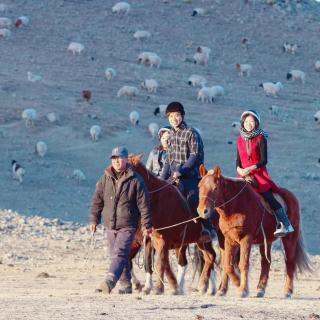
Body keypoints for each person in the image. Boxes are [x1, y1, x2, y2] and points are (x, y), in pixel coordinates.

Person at [89, 146, 153, 294]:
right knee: (115, 255)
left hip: (128, 224)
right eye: (114, 158)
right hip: (110, 224)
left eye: (120, 158)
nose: (117, 161)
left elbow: (144, 205)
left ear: (126, 159)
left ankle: (109, 281)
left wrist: (147, 225)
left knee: (120, 253)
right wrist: (94, 220)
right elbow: (97, 200)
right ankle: (126, 285)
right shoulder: (105, 177)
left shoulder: (136, 179)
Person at [160, 101, 215, 241]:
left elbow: (194, 155)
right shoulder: (171, 135)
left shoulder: (191, 133)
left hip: (191, 175)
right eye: (171, 116)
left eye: (177, 115)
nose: (174, 119)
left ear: (182, 116)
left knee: (193, 199)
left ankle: (206, 228)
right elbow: (168, 160)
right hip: (174, 176)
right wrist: (161, 180)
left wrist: (182, 171)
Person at [236, 109, 294, 237]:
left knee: (268, 196)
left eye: (252, 121)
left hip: (258, 174)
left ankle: (286, 224)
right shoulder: (240, 140)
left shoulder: (261, 137)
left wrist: (249, 169)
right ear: (242, 123)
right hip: (243, 175)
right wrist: (239, 170)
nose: (249, 124)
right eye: (246, 121)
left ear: (256, 123)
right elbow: (238, 161)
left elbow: (264, 160)